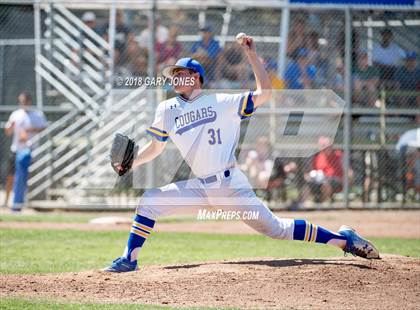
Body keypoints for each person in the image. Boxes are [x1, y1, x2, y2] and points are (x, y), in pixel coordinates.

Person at [103, 35, 379, 273]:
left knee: (277, 229)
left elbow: (265, 92)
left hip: (229, 186)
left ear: (196, 76)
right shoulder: (167, 110)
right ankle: (130, 260)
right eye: (173, 74)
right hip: (199, 186)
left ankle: (344, 239)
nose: (175, 78)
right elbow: (156, 147)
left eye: (181, 73)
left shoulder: (222, 101)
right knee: (149, 200)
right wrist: (131, 164)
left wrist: (251, 53)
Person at [4, 92, 47, 211]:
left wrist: (30, 130)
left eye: (24, 102)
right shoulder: (15, 114)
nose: (22, 104)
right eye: (20, 102)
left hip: (31, 150)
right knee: (11, 176)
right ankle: (7, 201)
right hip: (16, 149)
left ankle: (25, 201)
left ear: (29, 102)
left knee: (28, 177)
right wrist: (10, 127)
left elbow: (44, 128)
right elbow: (8, 131)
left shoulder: (37, 115)